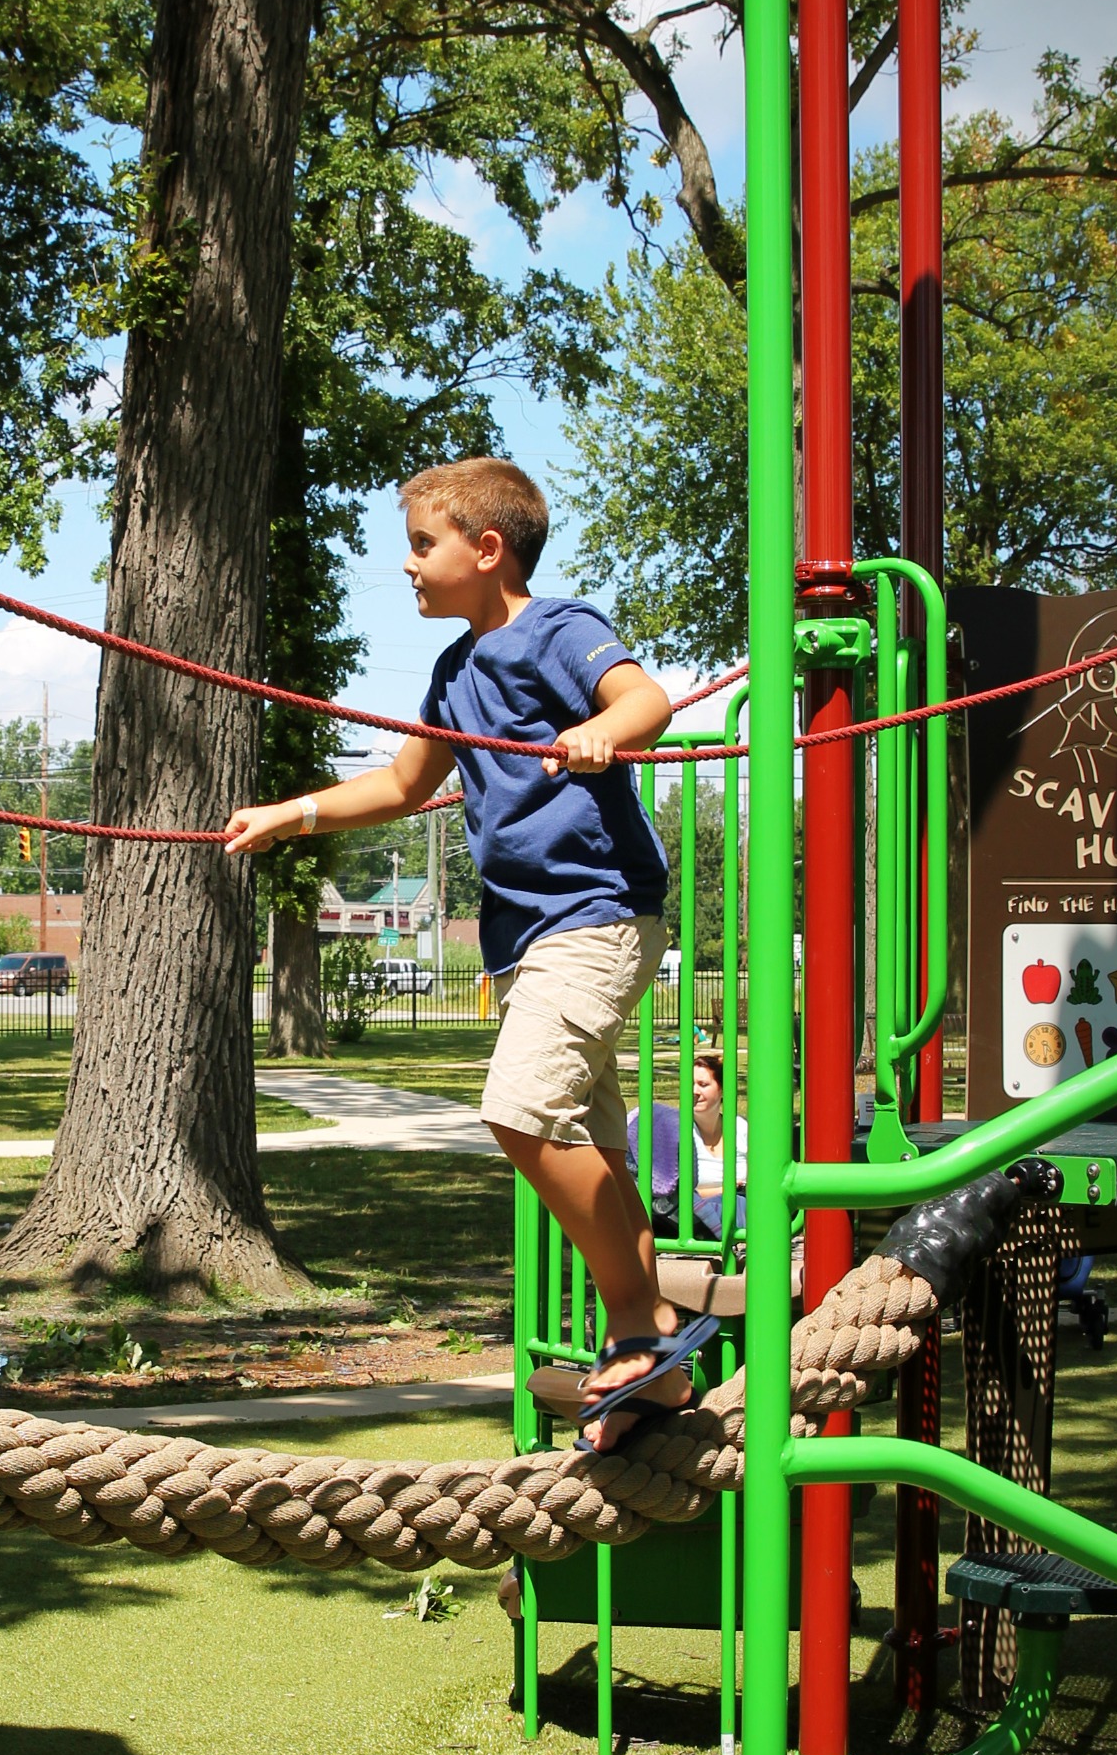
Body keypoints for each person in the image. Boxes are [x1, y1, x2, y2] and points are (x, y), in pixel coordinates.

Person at [225, 455, 715, 1448]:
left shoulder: (556, 628)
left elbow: (645, 699)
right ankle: (652, 1358)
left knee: (517, 1110)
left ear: (487, 549)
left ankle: (642, 1321)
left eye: (421, 544)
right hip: (527, 936)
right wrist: (292, 813)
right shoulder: (453, 673)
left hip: (595, 914)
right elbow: (402, 786)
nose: (407, 565)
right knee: (594, 1143)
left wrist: (601, 731)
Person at [687, 1051, 747, 1237]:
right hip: (695, 1219)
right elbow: (673, 1196)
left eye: (703, 1084)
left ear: (722, 1090)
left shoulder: (740, 1128)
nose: (694, 1091)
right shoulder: (678, 1131)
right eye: (690, 1084)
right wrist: (724, 1190)